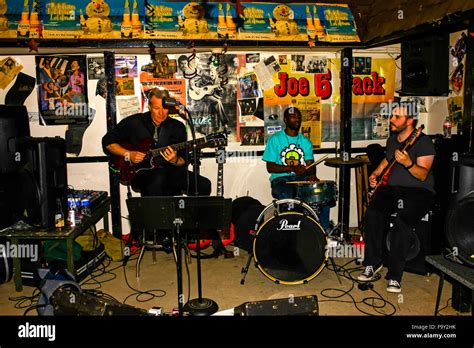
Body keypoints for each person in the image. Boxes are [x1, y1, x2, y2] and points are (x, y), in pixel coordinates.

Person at [358, 104, 435, 293]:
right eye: (392, 116)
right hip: (393, 189)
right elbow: (387, 160)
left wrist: (408, 163)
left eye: (397, 117)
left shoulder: (424, 142)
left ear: (410, 121)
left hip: (419, 191)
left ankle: (394, 275)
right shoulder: (393, 140)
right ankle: (372, 263)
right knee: (373, 215)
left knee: (403, 221)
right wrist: (375, 174)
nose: (392, 120)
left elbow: (422, 175)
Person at [102, 88, 211, 197]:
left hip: (170, 171)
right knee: (157, 180)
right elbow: (107, 141)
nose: (161, 113)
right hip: (139, 172)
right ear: (149, 106)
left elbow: (184, 159)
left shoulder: (177, 127)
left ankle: (188, 213)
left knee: (203, 185)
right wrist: (128, 154)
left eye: (165, 108)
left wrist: (175, 160)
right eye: (156, 108)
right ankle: (154, 213)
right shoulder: (134, 122)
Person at [262, 106, 331, 233]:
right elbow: (270, 167)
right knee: (288, 196)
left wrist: (312, 176)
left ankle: (324, 231)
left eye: (299, 117)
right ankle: (292, 232)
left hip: (301, 179)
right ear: (285, 120)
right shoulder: (275, 139)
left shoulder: (305, 141)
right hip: (281, 180)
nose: (297, 119)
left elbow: (311, 165)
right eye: (293, 116)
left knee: (322, 194)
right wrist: (292, 167)